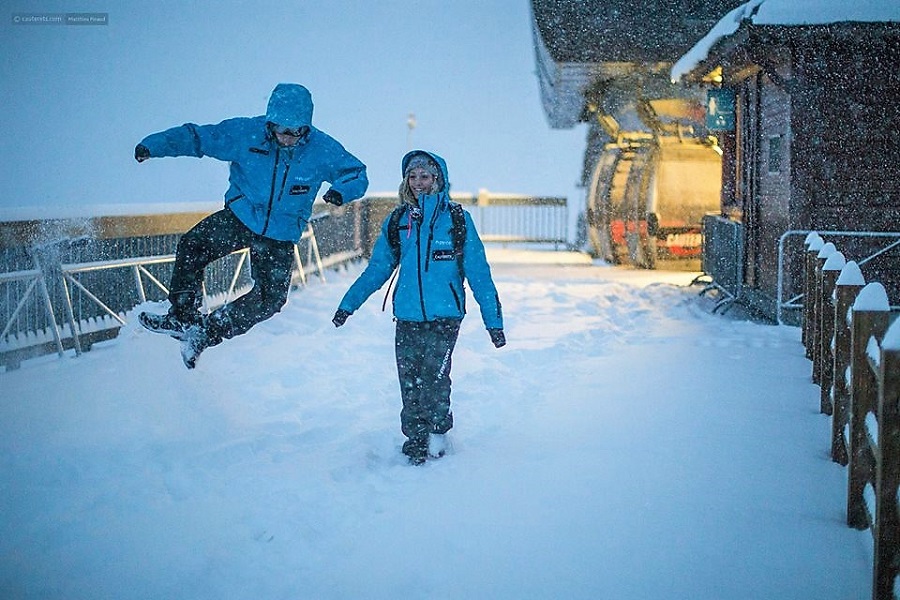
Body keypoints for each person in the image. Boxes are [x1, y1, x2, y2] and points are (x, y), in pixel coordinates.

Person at [134, 83, 368, 368]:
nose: (289, 138)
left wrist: (341, 191)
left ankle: (204, 333)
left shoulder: (321, 149)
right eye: (282, 130)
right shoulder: (245, 133)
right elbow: (199, 138)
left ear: (306, 127)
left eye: (297, 131)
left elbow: (356, 173)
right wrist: (153, 146)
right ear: (270, 123)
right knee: (193, 244)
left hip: (280, 234)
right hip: (241, 217)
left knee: (271, 299)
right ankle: (182, 317)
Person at [332, 150, 505, 465]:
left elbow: (479, 274)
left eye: (425, 176)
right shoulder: (398, 221)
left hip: (446, 316)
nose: (418, 183)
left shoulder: (456, 220)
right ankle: (415, 439)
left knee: (435, 378)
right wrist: (348, 304)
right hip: (408, 315)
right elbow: (378, 269)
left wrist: (493, 322)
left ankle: (437, 434)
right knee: (409, 379)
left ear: (438, 179)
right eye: (412, 176)